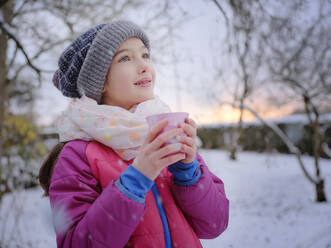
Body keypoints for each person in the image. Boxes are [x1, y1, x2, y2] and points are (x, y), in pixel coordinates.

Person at [39, 20, 229, 248]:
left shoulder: (165, 132)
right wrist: (137, 178)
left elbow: (215, 224)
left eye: (145, 55)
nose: (144, 66)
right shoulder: (78, 154)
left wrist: (189, 173)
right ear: (99, 83)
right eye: (125, 58)